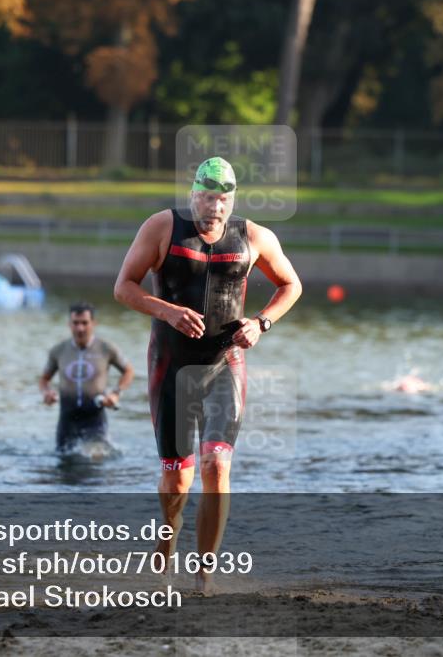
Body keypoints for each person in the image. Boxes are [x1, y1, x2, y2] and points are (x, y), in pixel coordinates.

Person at [113, 156, 302, 592]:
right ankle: (167, 541)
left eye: (223, 199)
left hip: (224, 364)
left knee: (217, 464)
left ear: (231, 201)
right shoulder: (161, 228)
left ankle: (204, 574)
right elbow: (123, 286)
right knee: (178, 475)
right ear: (192, 194)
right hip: (172, 364)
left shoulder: (253, 236)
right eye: (207, 197)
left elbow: (291, 284)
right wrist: (168, 311)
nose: (214, 207)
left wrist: (261, 323)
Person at [39, 302, 134, 458]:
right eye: (75, 323)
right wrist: (46, 393)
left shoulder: (106, 348)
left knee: (95, 464)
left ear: (93, 323)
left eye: (84, 323)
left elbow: (128, 371)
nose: (80, 328)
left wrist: (116, 393)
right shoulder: (58, 351)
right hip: (67, 419)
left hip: (95, 418)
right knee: (64, 463)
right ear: (69, 324)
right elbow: (44, 379)